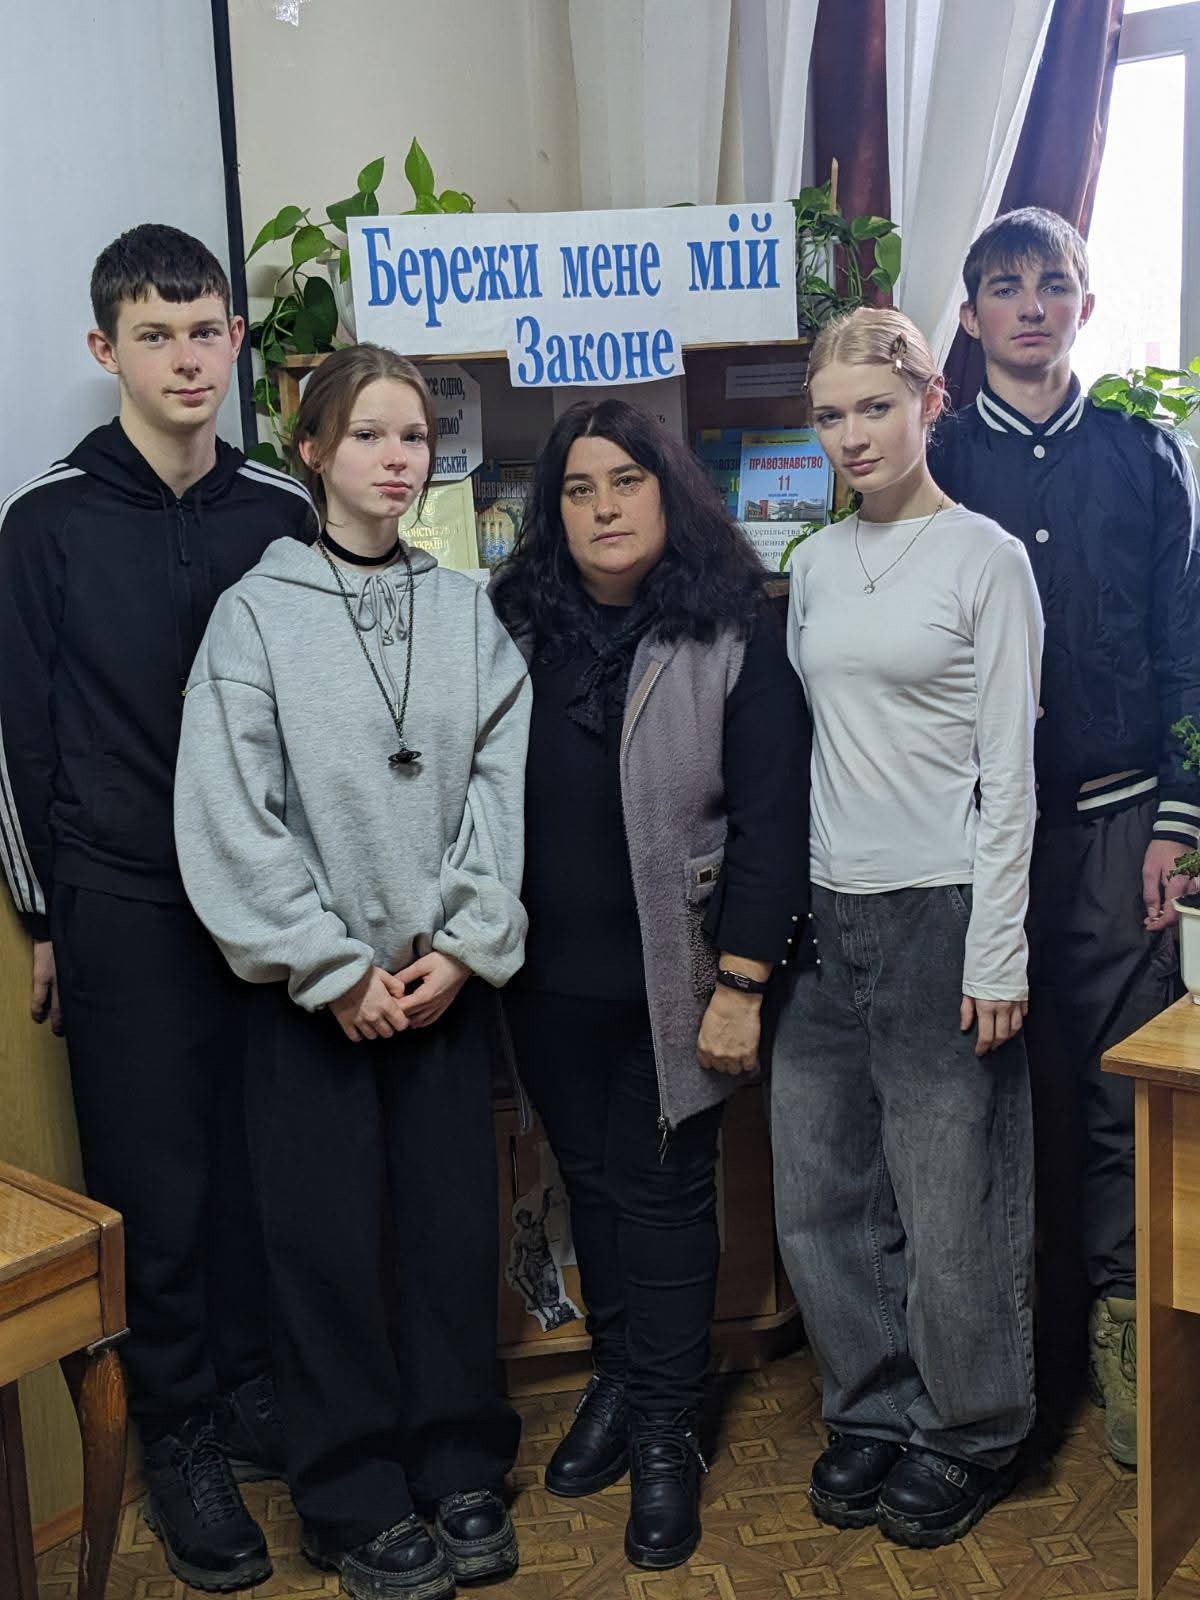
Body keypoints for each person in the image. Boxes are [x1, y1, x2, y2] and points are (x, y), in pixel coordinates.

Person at [175, 343, 529, 1600]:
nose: (397, 458)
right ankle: (350, 1495)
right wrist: (328, 966)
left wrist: (466, 942)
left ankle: (459, 1459)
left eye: (415, 437)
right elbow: (231, 810)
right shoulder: (255, 615)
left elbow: (499, 786)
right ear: (313, 452)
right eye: (370, 435)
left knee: (449, 1235)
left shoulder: (465, 609)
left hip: (438, 986)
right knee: (324, 1251)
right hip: (313, 1000)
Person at [0, 224, 315, 1592]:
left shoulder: (281, 509)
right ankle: (178, 1430)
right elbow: (14, 737)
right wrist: (42, 919)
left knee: (260, 1160)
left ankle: (250, 1393)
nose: (186, 360)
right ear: (105, 349)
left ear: (235, 339)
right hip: (122, 902)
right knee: (156, 1180)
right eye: (154, 335)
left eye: (204, 332)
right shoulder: (47, 521)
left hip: (269, 903)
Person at [490, 398, 810, 1571]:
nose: (605, 507)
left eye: (626, 482)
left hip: (680, 980)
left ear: (668, 492)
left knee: (668, 1200)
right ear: (555, 512)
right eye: (579, 490)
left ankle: (669, 1427)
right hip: (545, 982)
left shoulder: (733, 626)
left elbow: (774, 818)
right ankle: (621, 1378)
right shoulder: (513, 623)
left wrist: (742, 982)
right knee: (593, 1187)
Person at [930, 207, 1200, 1466]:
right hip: (974, 839)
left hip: (1118, 827)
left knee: (1116, 1097)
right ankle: (1010, 1357)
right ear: (970, 314)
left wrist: (1179, 820)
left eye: (1054, 284)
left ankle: (1125, 1332)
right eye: (1005, 286)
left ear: (1084, 305)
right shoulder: (933, 460)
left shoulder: (1144, 457)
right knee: (991, 1099)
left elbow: (1187, 648)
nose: (1031, 305)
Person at [773, 307, 1043, 1548]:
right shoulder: (818, 563)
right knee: (821, 1188)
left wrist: (998, 948)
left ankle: (971, 1427)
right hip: (828, 914)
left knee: (951, 1197)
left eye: (875, 408)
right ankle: (873, 1405)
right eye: (831, 415)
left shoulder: (986, 558)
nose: (852, 436)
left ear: (930, 402)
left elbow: (1010, 772)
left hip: (943, 907)